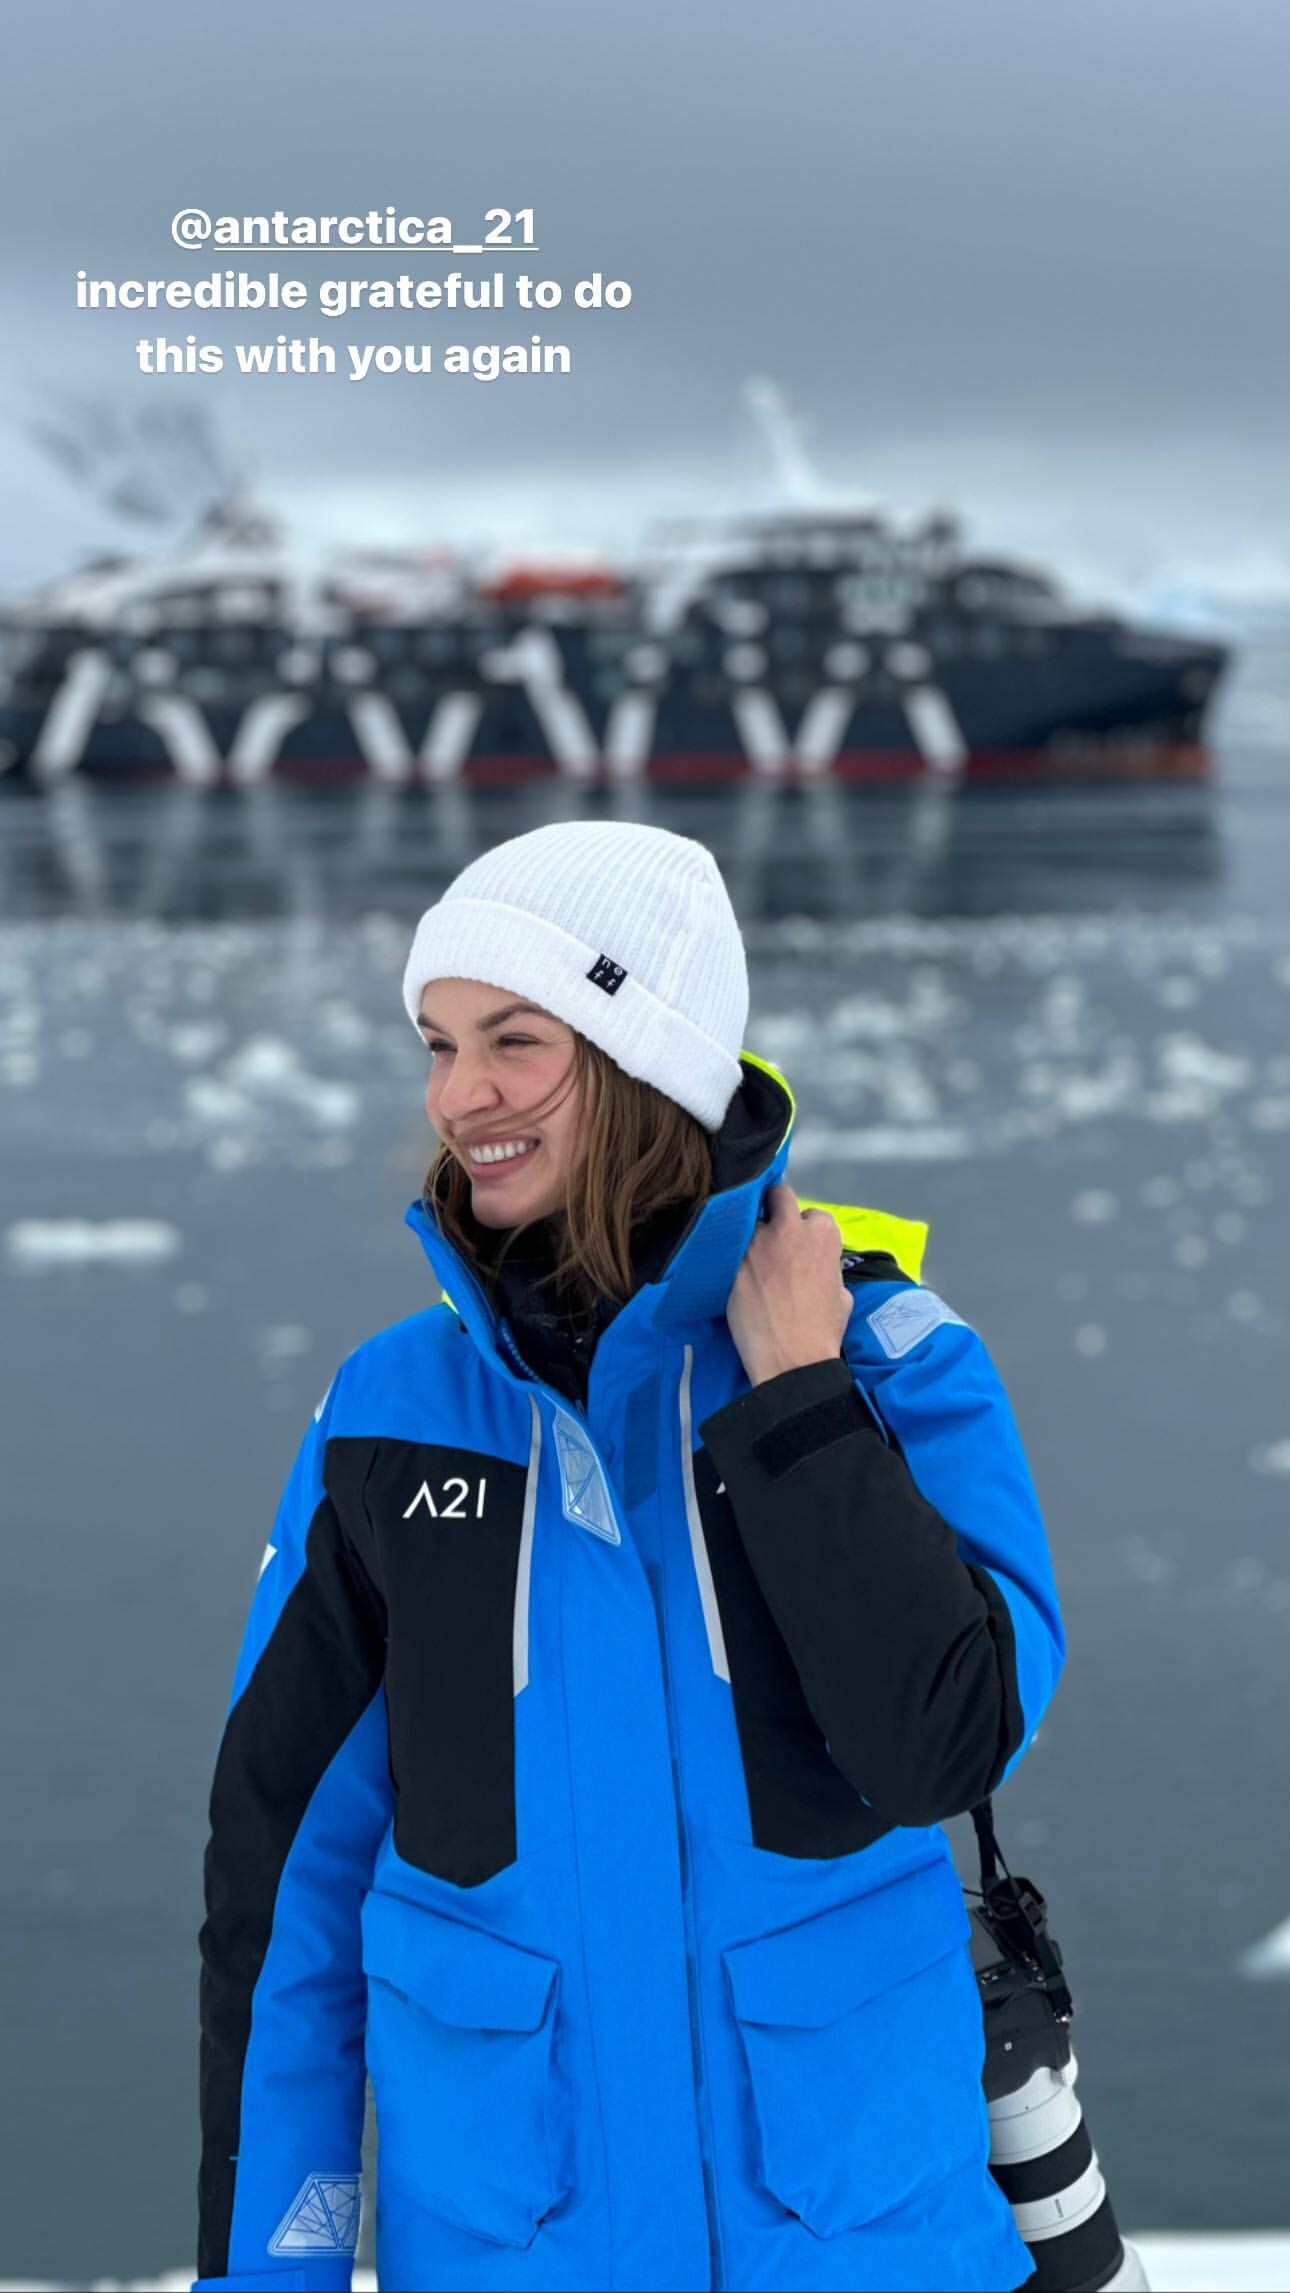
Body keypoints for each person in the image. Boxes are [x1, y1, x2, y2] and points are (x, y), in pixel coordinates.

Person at [194, 818, 1065, 2293]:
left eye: (513, 1041)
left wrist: (799, 1404)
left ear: (640, 1056)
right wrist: (272, 2269)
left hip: (866, 2252)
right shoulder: (390, 1420)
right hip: (514, 2253)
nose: (458, 1096)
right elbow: (284, 1888)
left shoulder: (893, 1360)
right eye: (438, 1044)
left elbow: (945, 1745)